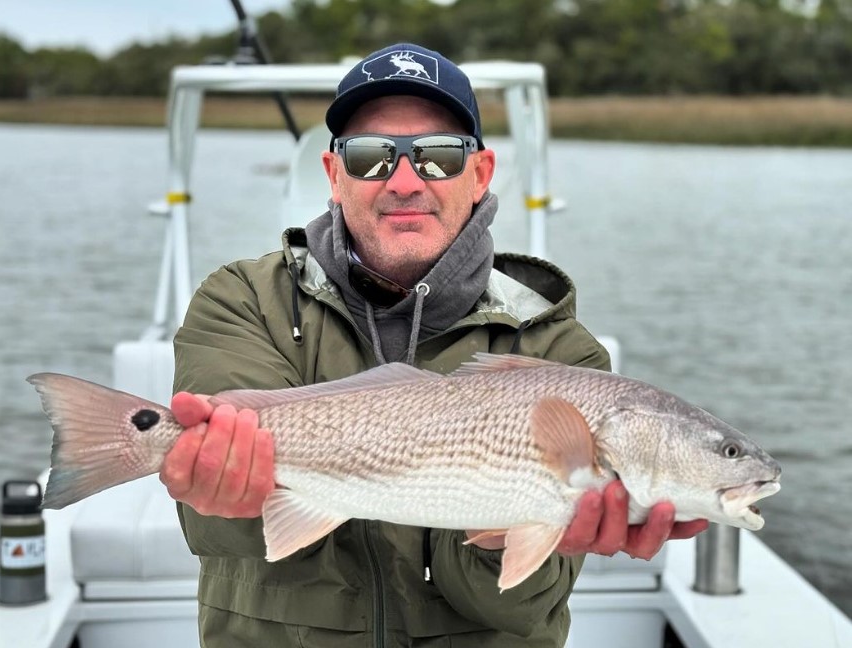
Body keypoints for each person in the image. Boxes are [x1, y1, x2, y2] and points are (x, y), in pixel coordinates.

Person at [159, 42, 708, 647]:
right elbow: (214, 530)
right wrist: (221, 484)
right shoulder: (242, 299)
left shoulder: (558, 351)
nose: (402, 181)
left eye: (438, 156)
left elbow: (518, 612)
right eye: (370, 157)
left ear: (480, 174)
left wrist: (513, 536)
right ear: (333, 176)